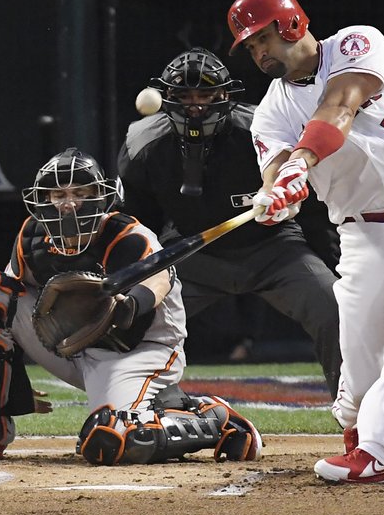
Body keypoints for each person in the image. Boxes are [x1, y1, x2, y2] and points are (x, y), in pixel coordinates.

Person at [226, 0, 384, 484]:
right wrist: (277, 198)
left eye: (263, 39)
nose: (258, 53)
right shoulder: (271, 111)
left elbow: (341, 103)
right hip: (362, 234)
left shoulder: (356, 44)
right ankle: (359, 433)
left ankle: (381, 452)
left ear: (292, 25)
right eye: (250, 47)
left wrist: (302, 161)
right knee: (357, 355)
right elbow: (276, 177)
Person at [0, 148, 261, 465]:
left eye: (80, 194)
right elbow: (6, 304)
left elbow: (159, 281)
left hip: (137, 351)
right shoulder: (32, 237)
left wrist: (129, 306)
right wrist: (14, 383)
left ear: (101, 197)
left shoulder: (129, 237)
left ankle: (215, 420)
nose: (68, 204)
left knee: (112, 440)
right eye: (59, 195)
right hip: (70, 342)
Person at [117, 46, 342, 397]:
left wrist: (332, 265)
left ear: (224, 95)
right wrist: (136, 279)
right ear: (167, 97)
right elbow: (137, 225)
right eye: (185, 95)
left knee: (335, 307)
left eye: (205, 94)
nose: (196, 105)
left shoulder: (261, 129)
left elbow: (312, 208)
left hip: (275, 248)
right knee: (132, 317)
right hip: (192, 254)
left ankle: (358, 414)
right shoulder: (142, 143)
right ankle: (138, 408)